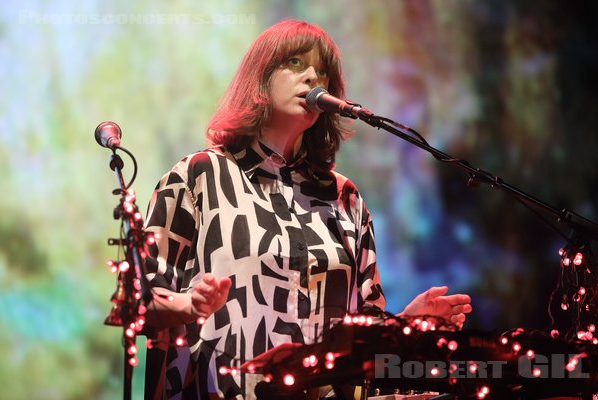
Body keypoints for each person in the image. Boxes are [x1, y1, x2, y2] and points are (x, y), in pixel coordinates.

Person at [142, 19, 472, 400]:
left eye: (323, 71)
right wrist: (188, 303)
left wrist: (406, 326)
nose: (313, 76)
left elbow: (360, 332)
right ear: (259, 78)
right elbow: (140, 299)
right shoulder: (199, 175)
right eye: (296, 63)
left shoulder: (345, 197)